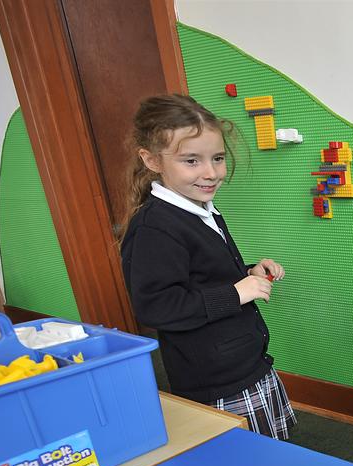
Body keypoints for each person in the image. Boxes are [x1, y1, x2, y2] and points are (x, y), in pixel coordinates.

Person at [119, 93, 296, 439]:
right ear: (152, 160)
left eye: (217, 158)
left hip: (246, 363)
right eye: (191, 161)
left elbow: (203, 276)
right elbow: (157, 306)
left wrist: (247, 273)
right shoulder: (155, 227)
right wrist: (235, 293)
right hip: (216, 380)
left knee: (276, 456)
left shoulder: (201, 207)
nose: (211, 173)